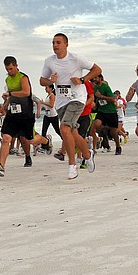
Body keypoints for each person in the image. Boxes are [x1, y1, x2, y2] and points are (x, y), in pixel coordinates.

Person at [39, 33, 101, 180]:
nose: (55, 45)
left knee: (64, 128)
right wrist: (50, 81)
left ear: (66, 44)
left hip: (77, 99)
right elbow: (42, 80)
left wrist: (82, 79)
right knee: (72, 133)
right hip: (61, 102)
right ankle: (87, 154)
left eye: (58, 42)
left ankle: (72, 165)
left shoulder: (76, 58)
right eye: (53, 43)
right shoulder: (49, 61)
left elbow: (97, 69)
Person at [91, 74, 121, 155]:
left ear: (100, 78)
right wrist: (95, 106)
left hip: (111, 112)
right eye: (93, 78)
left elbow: (113, 99)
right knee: (96, 124)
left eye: (96, 78)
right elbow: (98, 98)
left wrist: (102, 96)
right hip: (101, 111)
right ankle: (100, 135)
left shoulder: (106, 87)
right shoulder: (95, 87)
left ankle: (118, 146)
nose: (94, 79)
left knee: (113, 132)